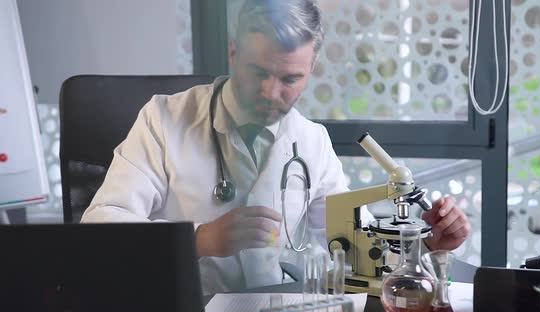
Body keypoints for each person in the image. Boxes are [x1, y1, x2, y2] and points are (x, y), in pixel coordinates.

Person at [82, 0, 470, 295]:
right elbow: (100, 227)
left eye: (290, 78)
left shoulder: (311, 140)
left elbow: (355, 252)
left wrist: (430, 246)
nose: (271, 93)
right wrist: (200, 240)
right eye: (259, 72)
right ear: (234, 53)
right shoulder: (163, 120)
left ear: (311, 70)